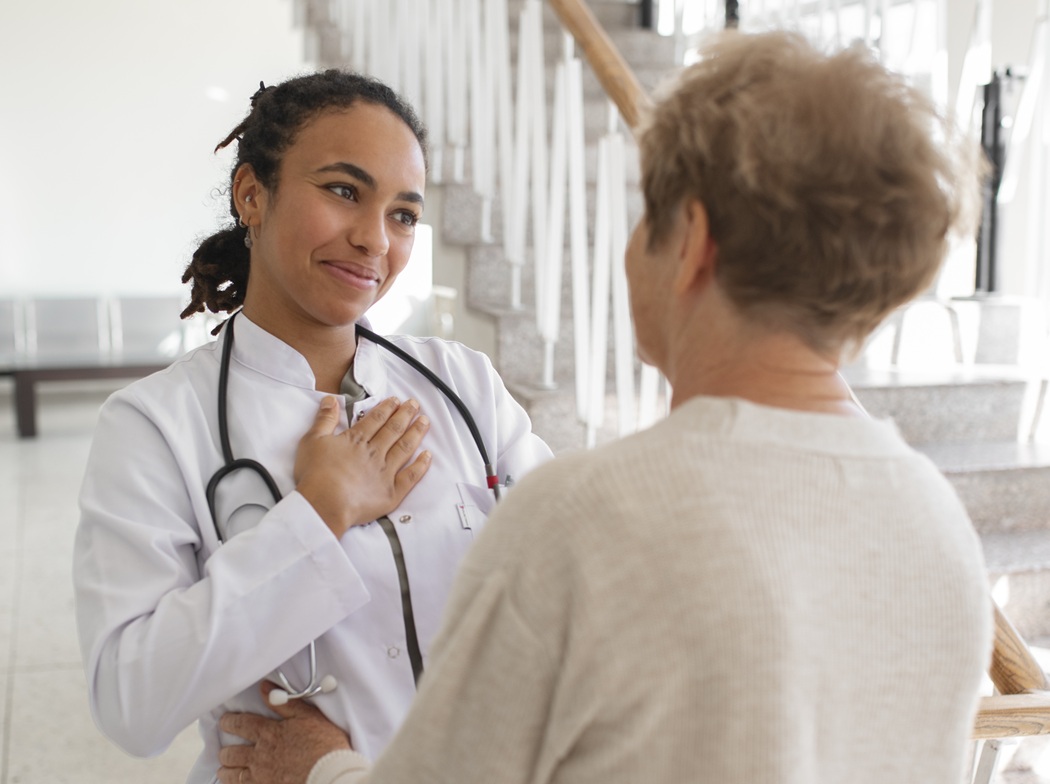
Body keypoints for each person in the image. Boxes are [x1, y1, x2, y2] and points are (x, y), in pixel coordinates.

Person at [218, 30, 994, 784]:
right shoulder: (936, 523)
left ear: (691, 242)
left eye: (646, 214)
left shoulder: (587, 518)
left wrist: (321, 768)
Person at [72, 70, 552, 783]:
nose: (374, 240)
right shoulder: (155, 425)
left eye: (403, 215)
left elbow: (570, 581)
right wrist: (320, 513)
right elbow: (129, 701)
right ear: (252, 194)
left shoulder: (463, 385)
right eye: (343, 191)